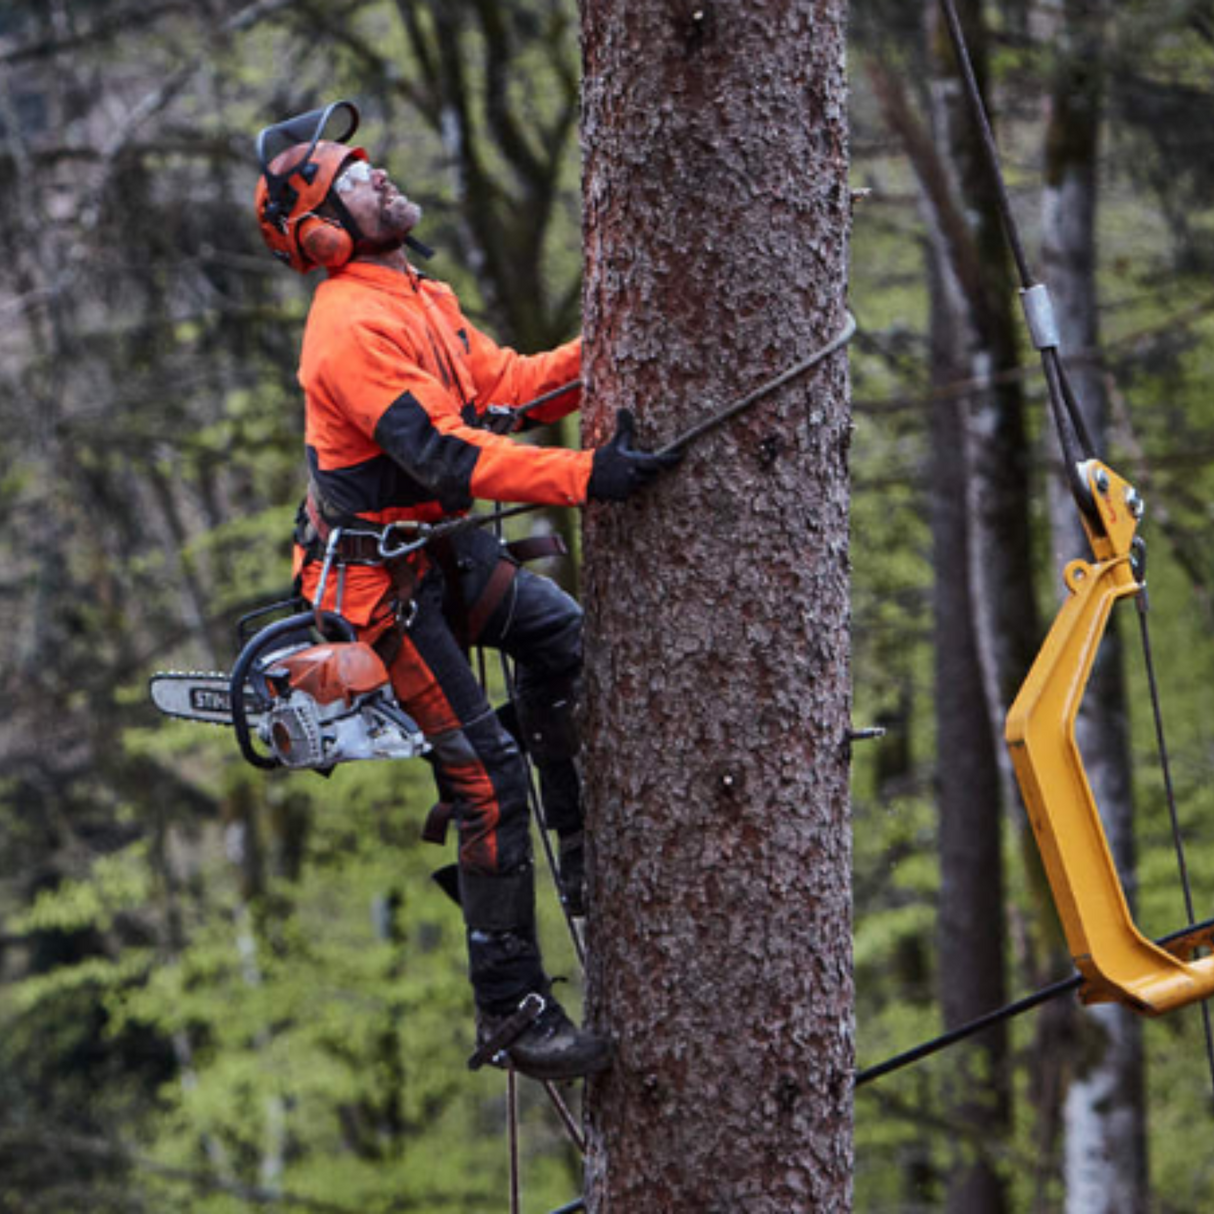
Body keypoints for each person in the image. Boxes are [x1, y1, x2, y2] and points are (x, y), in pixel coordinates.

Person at [253, 101, 678, 1081]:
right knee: (485, 778)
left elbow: (506, 390)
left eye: (366, 162)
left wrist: (620, 349)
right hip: (378, 584)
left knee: (562, 640)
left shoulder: (418, 294)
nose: (377, 173)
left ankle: (581, 845)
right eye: (352, 176)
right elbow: (448, 453)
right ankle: (511, 1010)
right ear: (324, 230)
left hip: (439, 553)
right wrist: (588, 475)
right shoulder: (346, 330)